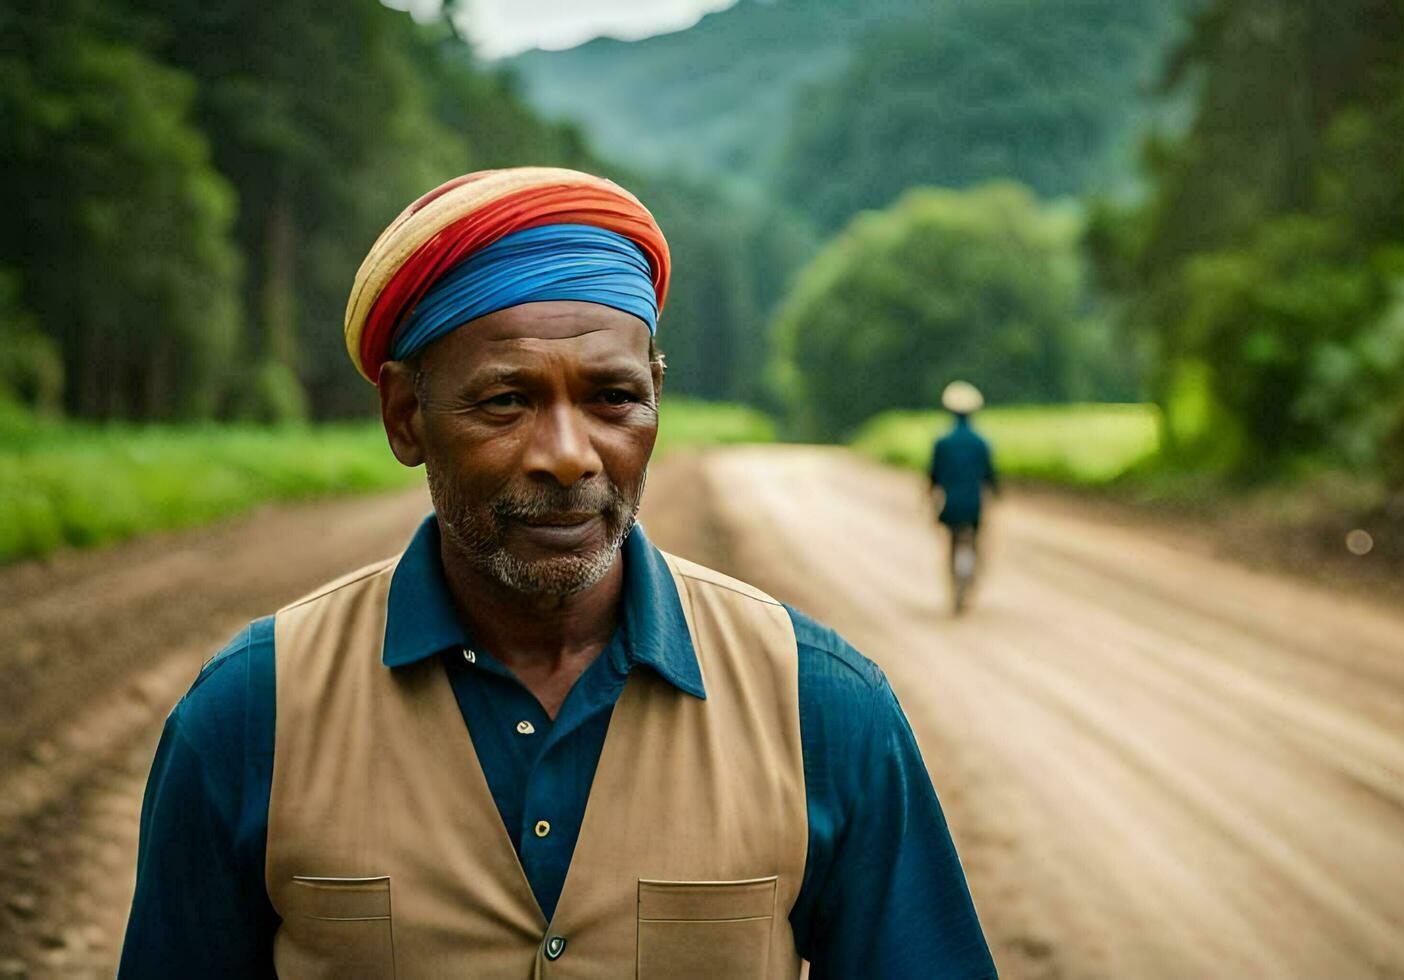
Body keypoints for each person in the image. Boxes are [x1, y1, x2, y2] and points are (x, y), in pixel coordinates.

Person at [119, 168, 996, 978]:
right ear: (405, 416)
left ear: (655, 399)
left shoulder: (824, 710)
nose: (571, 458)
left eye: (613, 399)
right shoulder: (249, 714)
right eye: (506, 400)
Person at [930, 381, 1000, 614]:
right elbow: (990, 475)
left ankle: (954, 585)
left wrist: (930, 495)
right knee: (974, 539)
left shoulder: (942, 442)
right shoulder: (981, 443)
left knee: (953, 541)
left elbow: (934, 476)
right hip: (973, 504)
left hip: (951, 504)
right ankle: (969, 584)